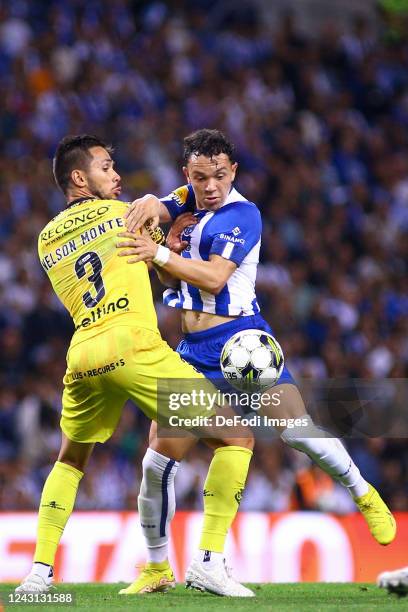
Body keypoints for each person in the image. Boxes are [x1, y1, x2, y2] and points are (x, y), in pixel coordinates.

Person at [117, 128, 397, 594]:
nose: (211, 186)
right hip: (190, 352)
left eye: (221, 176)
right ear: (188, 174)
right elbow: (167, 219)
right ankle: (157, 568)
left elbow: (213, 277)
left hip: (240, 343)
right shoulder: (185, 200)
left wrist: (160, 251)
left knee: (296, 430)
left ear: (235, 173)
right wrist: (153, 213)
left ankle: (361, 491)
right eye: (201, 177)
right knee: (156, 463)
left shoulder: (243, 214)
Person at [16, 134, 255, 598]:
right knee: (236, 436)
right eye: (107, 167)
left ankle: (38, 573)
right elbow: (167, 271)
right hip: (135, 344)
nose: (118, 176)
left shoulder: (46, 239)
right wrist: (169, 241)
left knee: (70, 460)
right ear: (79, 177)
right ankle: (208, 560)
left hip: (83, 353)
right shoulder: (126, 214)